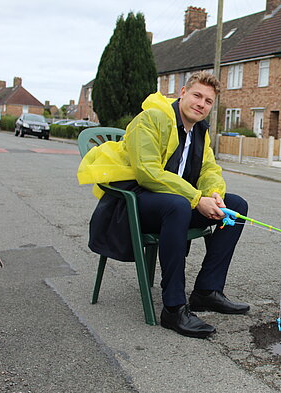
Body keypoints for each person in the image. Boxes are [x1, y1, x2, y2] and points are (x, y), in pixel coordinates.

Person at [78, 71, 249, 339]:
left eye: (208, 101)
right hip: (136, 203)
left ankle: (206, 290)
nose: (201, 104)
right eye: (196, 96)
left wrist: (214, 194)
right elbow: (148, 172)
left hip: (175, 201)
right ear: (182, 93)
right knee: (178, 206)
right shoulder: (151, 119)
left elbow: (209, 169)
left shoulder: (200, 132)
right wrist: (195, 199)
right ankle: (173, 307)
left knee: (236, 205)